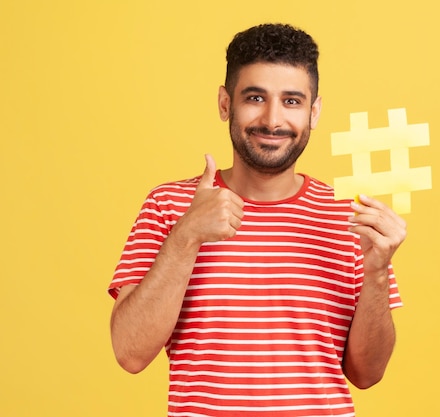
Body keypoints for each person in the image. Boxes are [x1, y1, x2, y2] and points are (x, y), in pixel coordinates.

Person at [109, 23, 407, 417]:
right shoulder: (170, 205)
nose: (272, 119)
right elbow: (129, 354)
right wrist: (186, 237)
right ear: (224, 104)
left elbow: (367, 374)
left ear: (314, 112)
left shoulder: (348, 216)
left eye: (292, 101)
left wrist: (377, 270)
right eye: (254, 97)